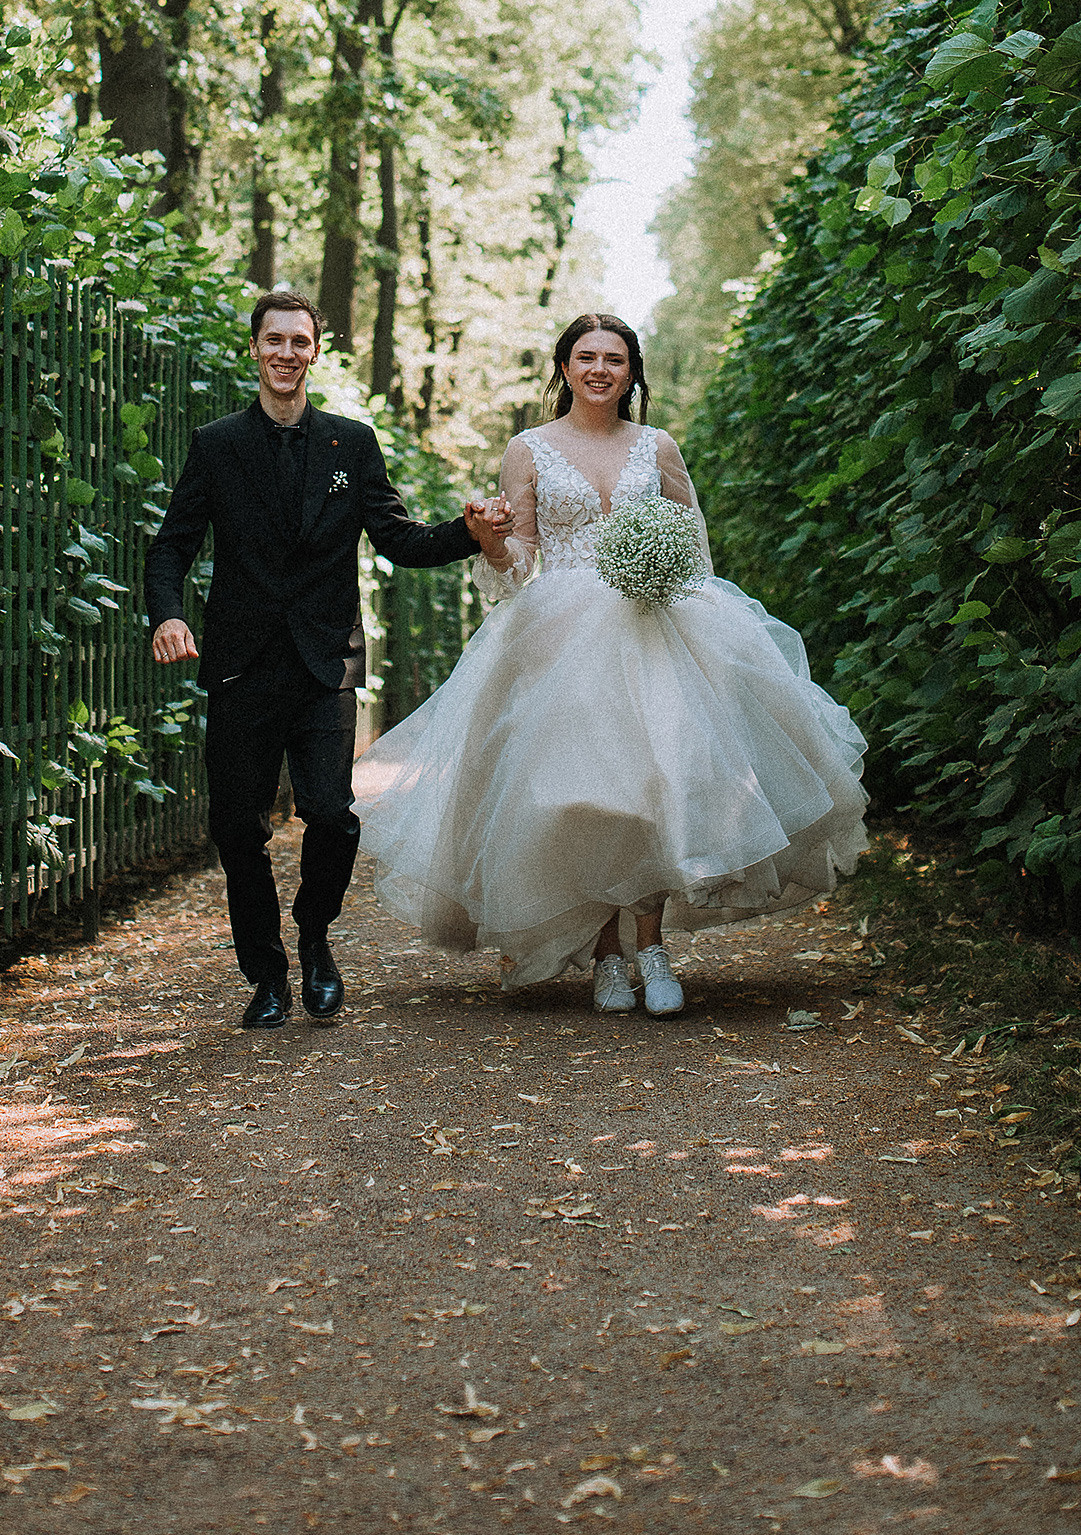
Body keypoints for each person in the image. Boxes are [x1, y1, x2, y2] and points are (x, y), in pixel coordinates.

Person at [355, 311, 867, 1015]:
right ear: (563, 368)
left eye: (616, 359)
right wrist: (491, 542)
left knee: (657, 787)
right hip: (562, 638)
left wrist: (674, 588)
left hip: (656, 628)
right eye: (587, 356)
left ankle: (651, 949)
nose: (600, 370)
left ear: (632, 373)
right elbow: (519, 564)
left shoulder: (657, 446)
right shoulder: (528, 449)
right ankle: (604, 956)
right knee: (590, 794)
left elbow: (694, 548)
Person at [145, 289, 511, 1029]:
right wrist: (170, 614)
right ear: (255, 348)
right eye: (273, 340)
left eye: (299, 342)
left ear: (316, 351)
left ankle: (315, 942)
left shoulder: (353, 441)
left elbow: (399, 539)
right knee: (238, 828)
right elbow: (172, 545)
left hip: (325, 665)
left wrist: (468, 532)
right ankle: (267, 974)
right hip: (241, 665)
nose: (286, 353)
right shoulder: (217, 444)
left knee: (332, 815)